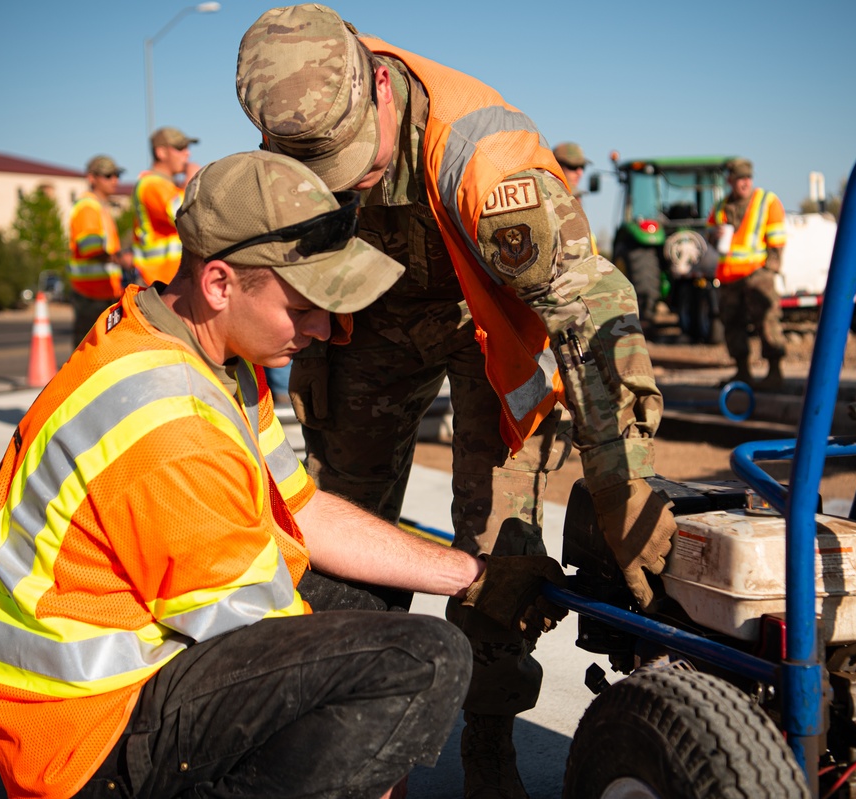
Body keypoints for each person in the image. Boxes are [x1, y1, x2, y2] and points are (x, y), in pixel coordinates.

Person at [0, 150, 568, 799]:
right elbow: (271, 637)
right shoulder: (172, 431)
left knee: (373, 604)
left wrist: (472, 575)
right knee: (422, 661)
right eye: (305, 304)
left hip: (131, 664)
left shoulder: (208, 350)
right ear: (221, 283)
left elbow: (303, 511)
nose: (326, 329)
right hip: (86, 743)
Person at [235, 7, 676, 796]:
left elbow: (588, 309)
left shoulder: (484, 155)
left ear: (376, 82)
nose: (345, 179)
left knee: (500, 548)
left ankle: (487, 739)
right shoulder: (292, 121)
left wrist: (619, 480)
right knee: (341, 527)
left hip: (485, 327)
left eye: (348, 155)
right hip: (361, 328)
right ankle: (341, 740)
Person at [706, 157, 787, 390]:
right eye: (739, 179)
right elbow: (710, 232)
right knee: (732, 324)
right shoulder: (721, 206)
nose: (744, 183)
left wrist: (769, 270)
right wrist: (714, 235)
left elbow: (778, 240)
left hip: (757, 275)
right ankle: (743, 373)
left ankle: (774, 373)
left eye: (747, 178)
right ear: (730, 181)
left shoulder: (766, 201)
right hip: (730, 277)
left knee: (767, 321)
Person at [67, 155, 127, 345]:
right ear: (92, 178)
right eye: (108, 175)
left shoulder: (100, 206)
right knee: (88, 351)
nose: (114, 180)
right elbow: (90, 248)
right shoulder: (88, 206)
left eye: (116, 175)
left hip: (101, 293)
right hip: (91, 294)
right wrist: (120, 259)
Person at [131, 126, 200, 287]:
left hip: (168, 280)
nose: (187, 153)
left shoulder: (169, 186)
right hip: (156, 281)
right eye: (179, 148)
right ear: (160, 152)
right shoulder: (151, 183)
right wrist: (192, 179)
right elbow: (182, 214)